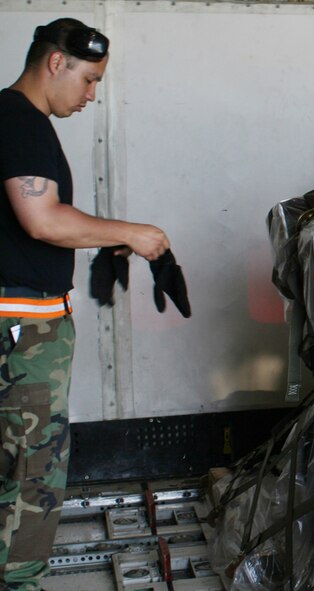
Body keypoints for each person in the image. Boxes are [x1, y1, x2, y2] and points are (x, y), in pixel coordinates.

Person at [0, 18, 171, 590]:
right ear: (55, 63)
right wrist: (138, 233)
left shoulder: (18, 121)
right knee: (32, 471)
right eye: (90, 80)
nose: (92, 95)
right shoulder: (19, 122)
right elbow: (42, 218)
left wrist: (103, 237)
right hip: (21, 331)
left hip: (25, 326)